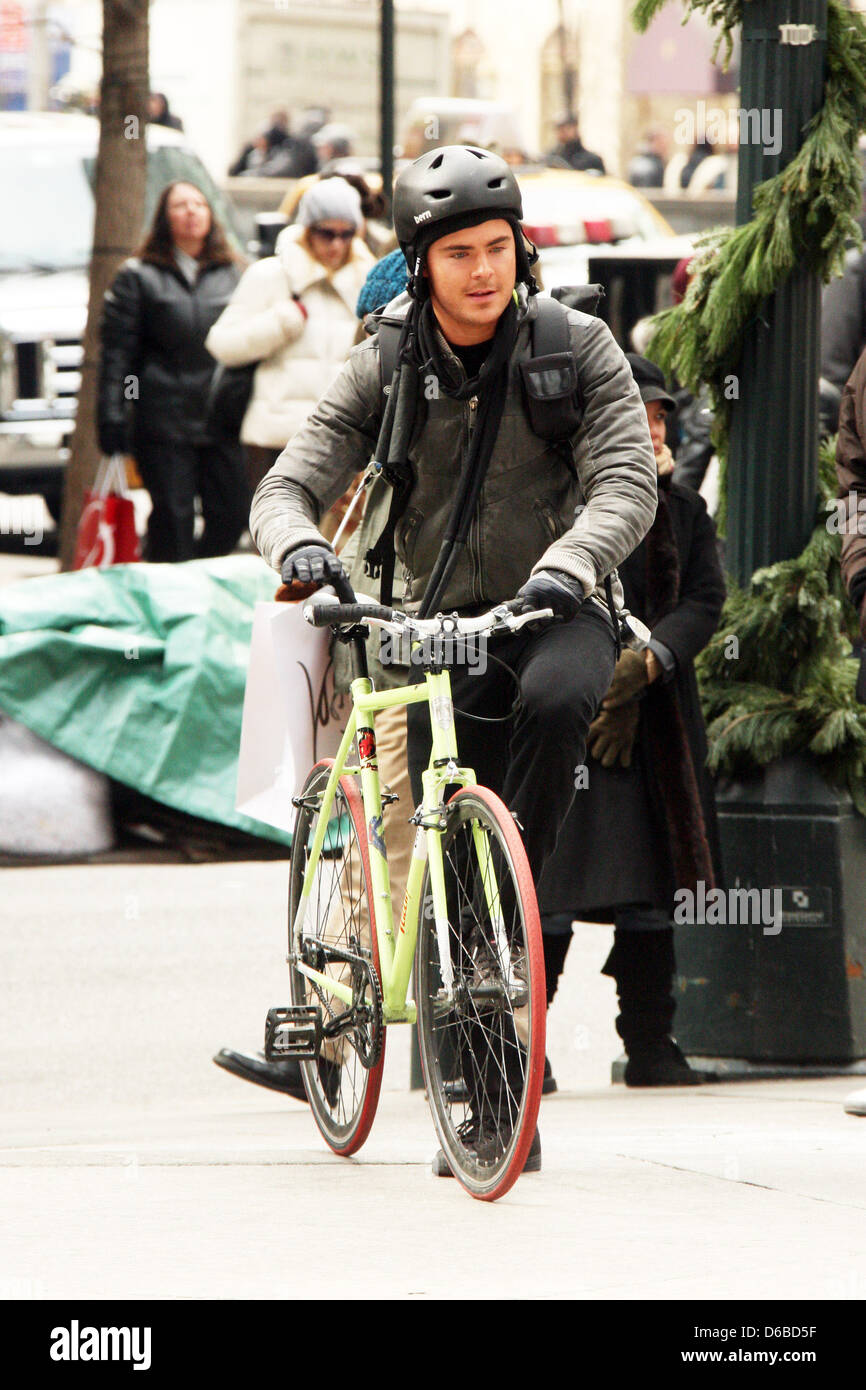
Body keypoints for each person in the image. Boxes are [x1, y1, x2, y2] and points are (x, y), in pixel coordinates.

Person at [245, 146, 657, 1171]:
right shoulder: (381, 361)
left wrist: (566, 568)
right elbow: (287, 482)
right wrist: (297, 545)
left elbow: (626, 481)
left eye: (499, 248)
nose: (483, 270)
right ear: (420, 262)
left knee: (560, 701)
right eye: (460, 252)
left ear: (522, 249)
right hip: (415, 624)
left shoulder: (578, 346)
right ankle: (472, 1065)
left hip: (545, 608)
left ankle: (505, 903)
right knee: (417, 848)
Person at [538, 354, 726, 1085]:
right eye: (639, 414)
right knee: (549, 891)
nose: (653, 428)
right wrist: (597, 674)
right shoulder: (559, 502)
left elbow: (705, 601)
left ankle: (651, 1044)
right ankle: (526, 1049)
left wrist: (647, 664)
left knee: (651, 892)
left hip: (657, 727)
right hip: (571, 719)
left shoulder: (684, 510)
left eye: (660, 416)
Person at [98, 181, 249, 562]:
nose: (192, 211)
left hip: (222, 416)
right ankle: (172, 595)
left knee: (231, 515)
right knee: (173, 519)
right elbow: (119, 353)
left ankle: (198, 574)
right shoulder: (138, 275)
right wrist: (113, 411)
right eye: (181, 205)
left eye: (199, 204)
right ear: (164, 217)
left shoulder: (234, 272)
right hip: (163, 419)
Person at [205, 178, 376, 496]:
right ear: (307, 229)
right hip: (275, 441)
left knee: (332, 541)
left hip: (342, 441)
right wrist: (280, 323)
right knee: (277, 536)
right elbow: (221, 344)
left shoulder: (367, 282)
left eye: (346, 233)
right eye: (326, 232)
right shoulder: (272, 274)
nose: (336, 244)